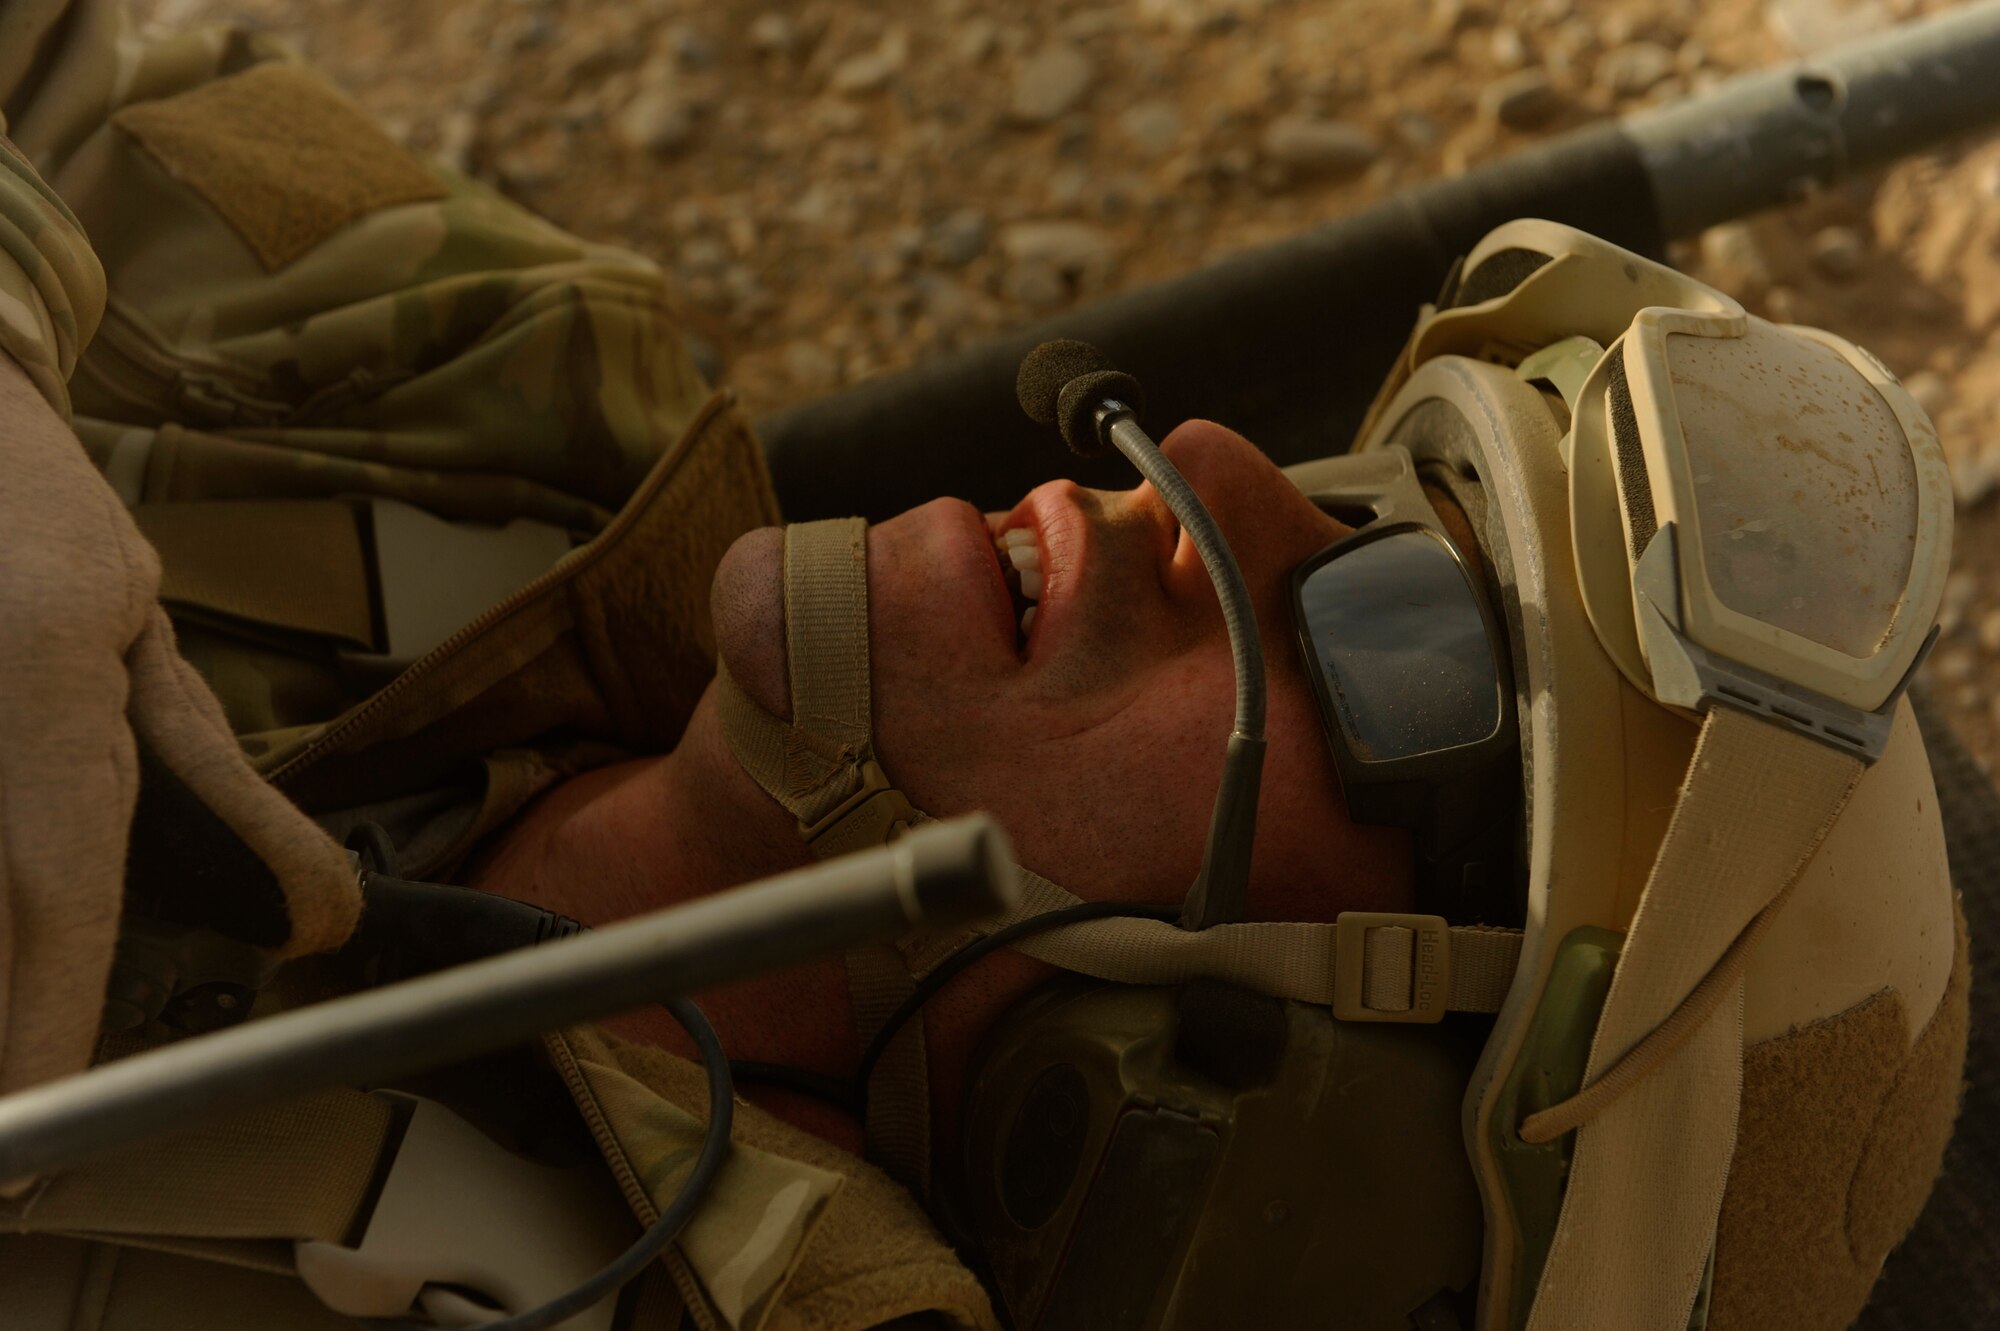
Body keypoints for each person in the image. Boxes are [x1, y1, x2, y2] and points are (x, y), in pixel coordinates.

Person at [0, 4, 1968, 1331]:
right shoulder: (490, 402)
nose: (1211, 472)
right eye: (1365, 512)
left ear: (1281, 1138)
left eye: (1398, 635)